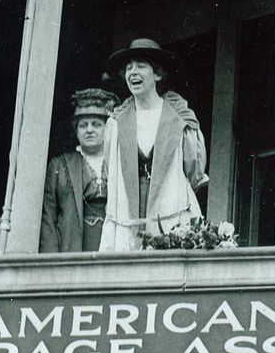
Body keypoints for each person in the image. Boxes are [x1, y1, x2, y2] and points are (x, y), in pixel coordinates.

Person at [99, 38, 208, 251]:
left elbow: (194, 170)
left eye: (141, 66)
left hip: (169, 207)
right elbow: (109, 173)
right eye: (128, 68)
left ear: (157, 74)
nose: (133, 72)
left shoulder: (180, 118)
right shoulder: (115, 122)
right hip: (126, 214)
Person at [39, 87, 120, 253]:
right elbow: (48, 217)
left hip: (114, 247)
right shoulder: (59, 165)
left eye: (96, 124)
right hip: (72, 249)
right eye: (83, 125)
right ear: (76, 131)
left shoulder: (119, 163)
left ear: (108, 129)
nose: (89, 130)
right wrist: (51, 262)